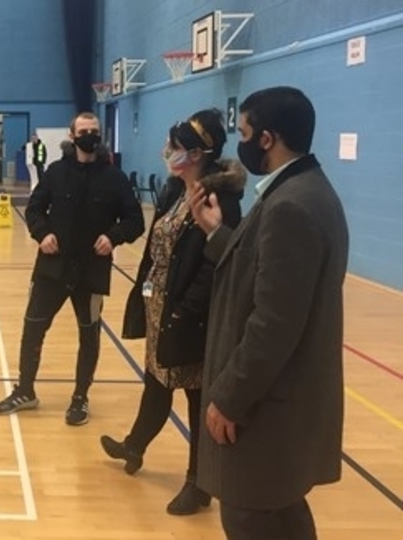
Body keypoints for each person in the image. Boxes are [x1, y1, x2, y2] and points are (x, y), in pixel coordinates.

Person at [189, 86, 349, 539]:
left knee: (250, 513)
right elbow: (262, 274)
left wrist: (230, 397)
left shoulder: (291, 206)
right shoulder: (306, 191)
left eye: (243, 131)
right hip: (282, 397)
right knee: (283, 514)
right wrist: (219, 235)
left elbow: (274, 323)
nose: (239, 142)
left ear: (266, 138)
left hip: (267, 404)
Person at [100, 108, 246, 516]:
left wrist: (185, 311)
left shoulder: (219, 200)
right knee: (156, 382)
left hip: (190, 317)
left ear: (197, 154)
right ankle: (134, 447)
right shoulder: (174, 191)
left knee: (197, 401)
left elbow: (214, 265)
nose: (169, 152)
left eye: (176, 147)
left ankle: (199, 484)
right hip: (159, 307)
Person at [0, 112, 145, 425]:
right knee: (33, 327)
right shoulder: (56, 172)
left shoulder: (115, 178)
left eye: (95, 131)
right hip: (52, 268)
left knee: (89, 336)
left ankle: (80, 398)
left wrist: (114, 237)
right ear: (72, 136)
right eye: (84, 131)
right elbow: (34, 208)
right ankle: (25, 390)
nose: (90, 135)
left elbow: (135, 220)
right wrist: (42, 233)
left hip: (91, 271)